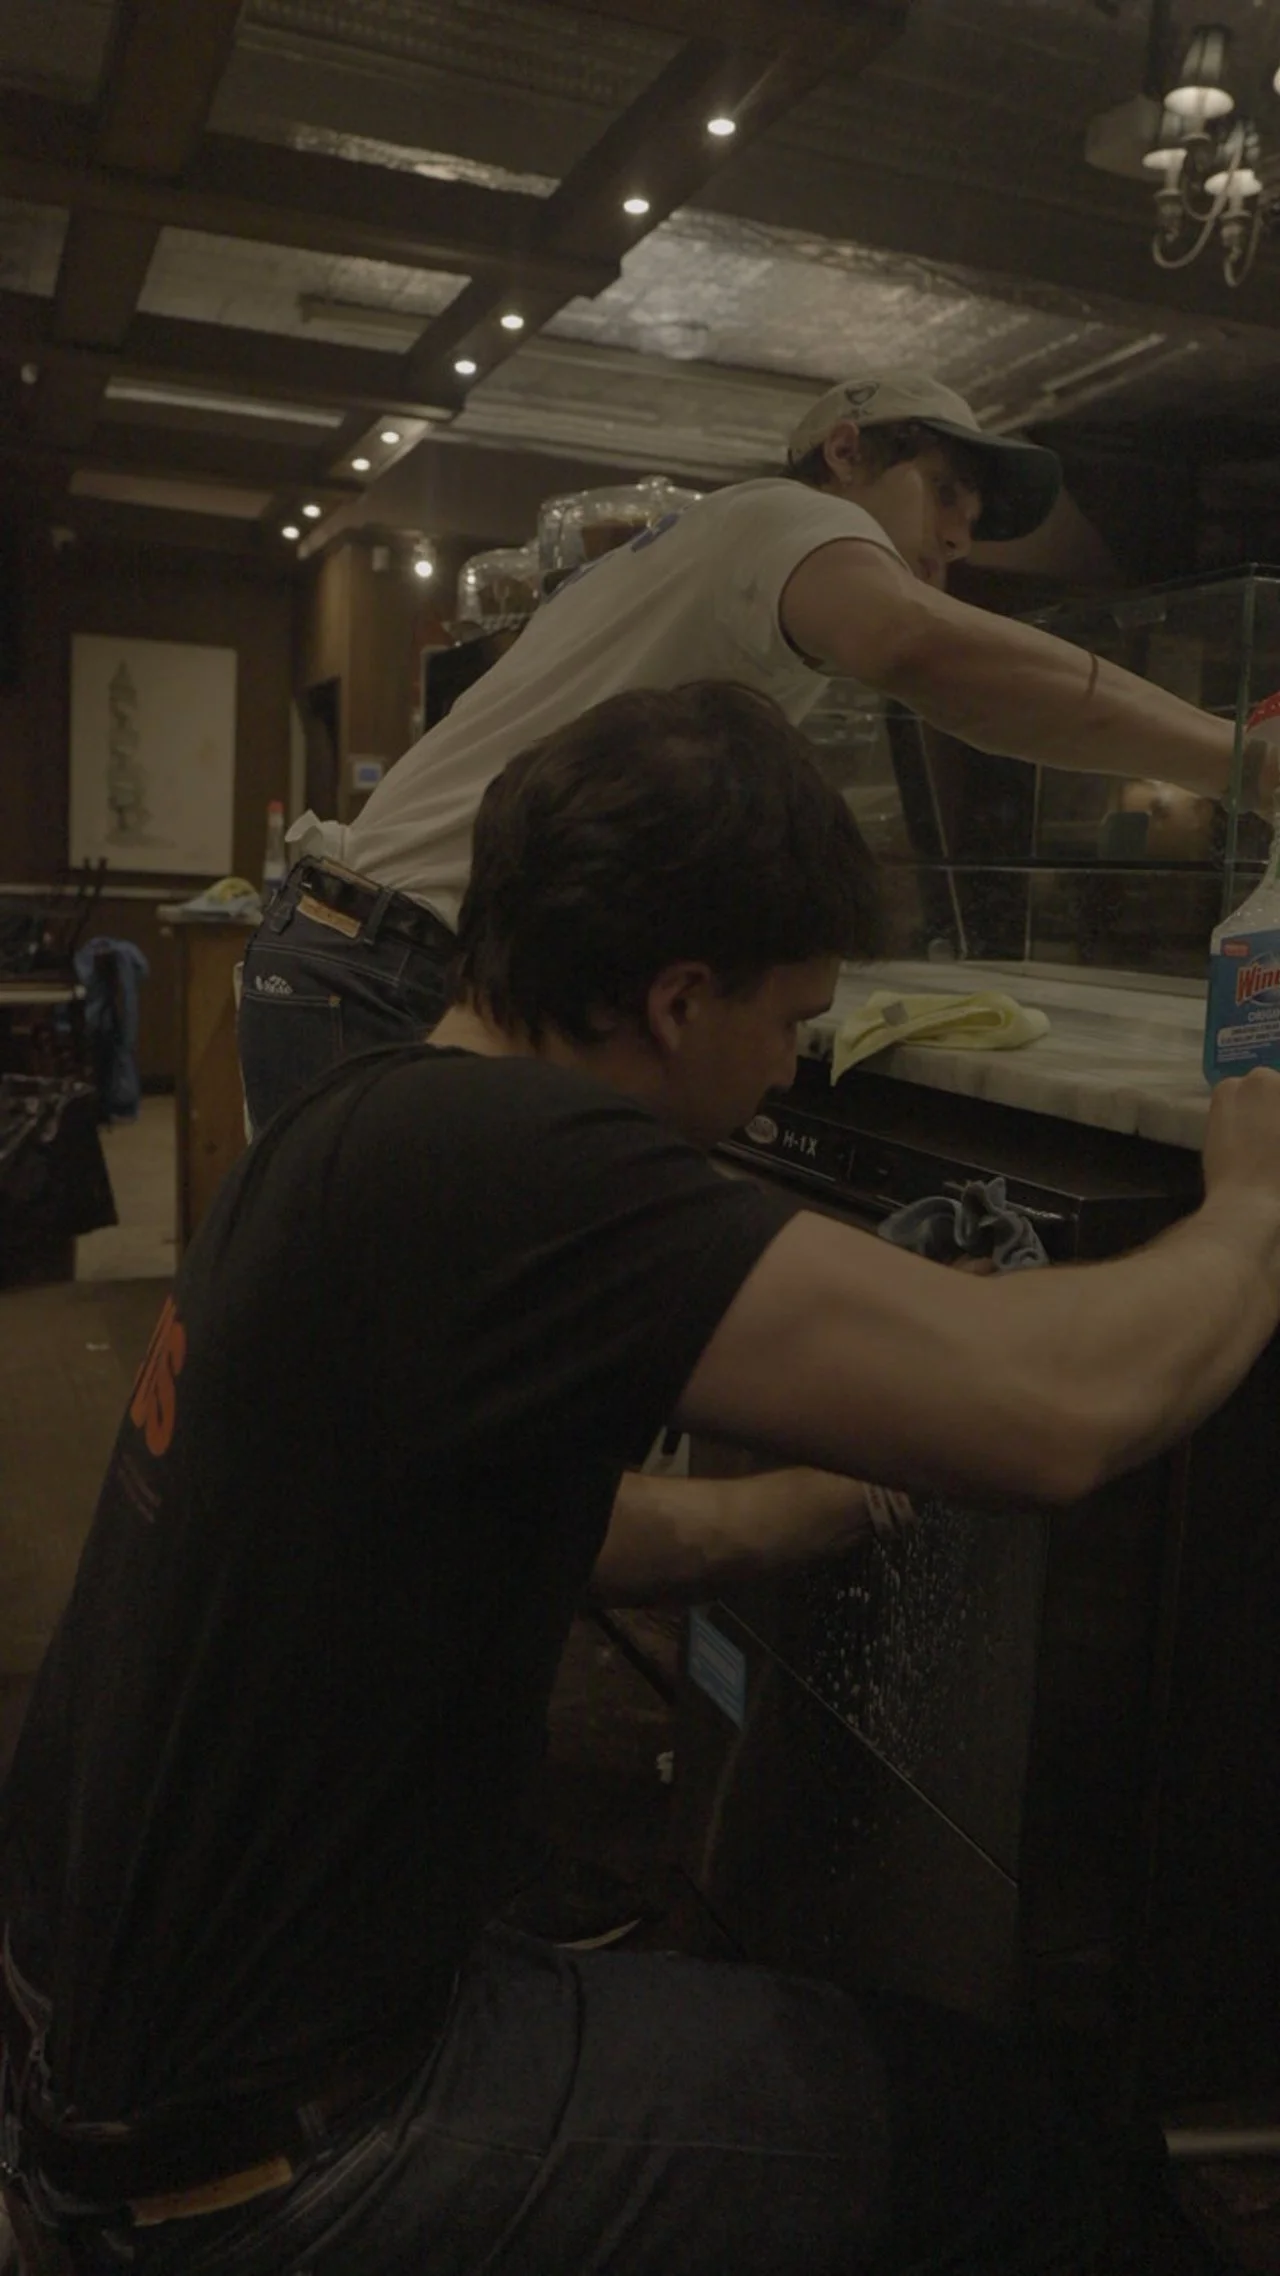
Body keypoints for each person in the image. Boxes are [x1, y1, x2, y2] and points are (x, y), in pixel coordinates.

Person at [6, 681, 1280, 2276]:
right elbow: (1059, 1408)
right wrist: (1251, 1209)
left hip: (100, 2075)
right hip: (272, 2157)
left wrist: (812, 1507)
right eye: (788, 1020)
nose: (791, 1068)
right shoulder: (519, 1168)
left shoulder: (358, 1130)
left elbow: (542, 1525)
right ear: (678, 1001)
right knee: (1025, 2143)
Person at [238, 364, 1270, 1132]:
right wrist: (1241, 761)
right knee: (382, 1383)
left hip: (372, 946)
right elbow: (922, 652)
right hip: (389, 961)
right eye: (946, 487)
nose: (959, 532)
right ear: (846, 452)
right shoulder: (783, 517)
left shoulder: (722, 559)